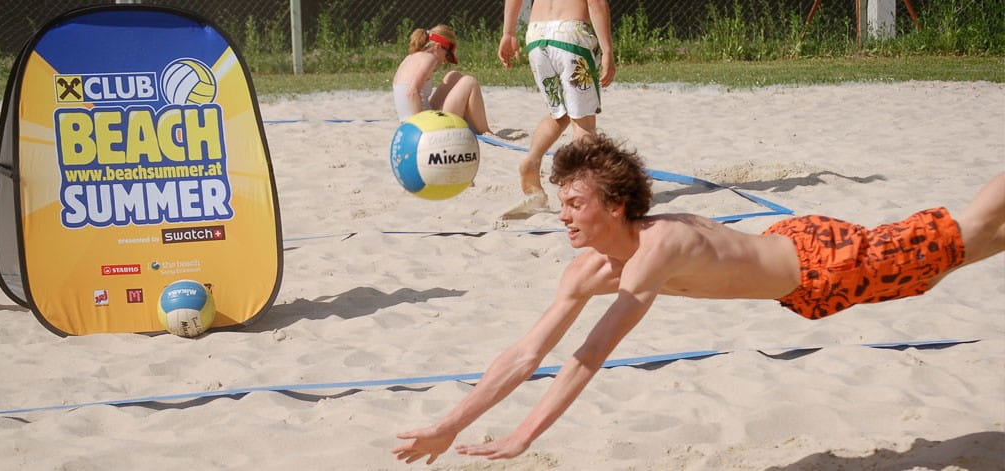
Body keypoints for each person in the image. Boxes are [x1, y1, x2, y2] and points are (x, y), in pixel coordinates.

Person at [392, 133, 1005, 464]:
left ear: (617, 207)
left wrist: (524, 434)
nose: (563, 215)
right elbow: (527, 353)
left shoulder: (657, 250)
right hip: (796, 268)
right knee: (961, 251)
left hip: (828, 265)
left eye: (575, 203)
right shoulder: (586, 269)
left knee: (967, 233)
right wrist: (448, 427)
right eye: (563, 201)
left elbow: (590, 353)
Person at [498, 0, 616, 219]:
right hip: (570, 34)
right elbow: (596, 3)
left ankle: (531, 160)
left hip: (537, 35)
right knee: (584, 123)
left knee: (559, 113)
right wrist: (607, 49)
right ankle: (584, 192)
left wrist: (508, 33)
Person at [393, 24, 492, 134]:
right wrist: (419, 128)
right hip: (422, 124)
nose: (445, 60)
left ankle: (472, 124)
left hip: (408, 122)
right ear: (438, 47)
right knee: (469, 82)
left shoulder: (409, 58)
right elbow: (412, 92)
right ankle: (485, 132)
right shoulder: (430, 58)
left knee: (454, 75)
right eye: (447, 55)